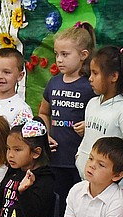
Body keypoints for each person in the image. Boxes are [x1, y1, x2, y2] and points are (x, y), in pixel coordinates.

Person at [76, 46, 123, 203]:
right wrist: (80, 156)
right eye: (90, 73)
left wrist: (111, 175)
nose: (90, 78)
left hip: (115, 192)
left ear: (113, 76)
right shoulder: (92, 103)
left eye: (95, 73)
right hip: (90, 186)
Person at [40, 22, 96, 202]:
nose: (59, 60)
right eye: (56, 54)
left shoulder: (90, 85)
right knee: (58, 203)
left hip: (82, 160)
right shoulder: (54, 83)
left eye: (65, 54)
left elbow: (103, 116)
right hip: (56, 158)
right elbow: (43, 112)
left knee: (80, 202)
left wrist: (89, 125)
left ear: (83, 55)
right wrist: (45, 135)